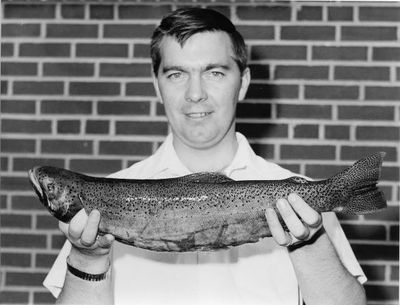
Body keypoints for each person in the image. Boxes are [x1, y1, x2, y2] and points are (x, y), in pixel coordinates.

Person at [44, 7, 367, 305]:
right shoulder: (104, 203)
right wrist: (88, 259)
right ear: (157, 86)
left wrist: (309, 243)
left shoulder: (301, 201)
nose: (195, 93)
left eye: (214, 72)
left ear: (243, 84)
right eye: (176, 74)